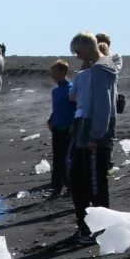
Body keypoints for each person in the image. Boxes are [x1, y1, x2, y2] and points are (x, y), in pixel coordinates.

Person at [68, 31, 119, 242]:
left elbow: (103, 105)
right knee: (82, 180)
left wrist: (95, 136)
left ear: (87, 48)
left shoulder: (100, 69)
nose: (78, 56)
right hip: (88, 129)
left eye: (78, 51)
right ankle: (89, 226)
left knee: (91, 183)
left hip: (94, 132)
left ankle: (97, 228)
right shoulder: (101, 67)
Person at [46, 59, 76, 198]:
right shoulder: (55, 91)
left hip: (67, 128)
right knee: (57, 158)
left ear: (63, 72)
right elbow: (56, 108)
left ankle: (70, 185)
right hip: (57, 127)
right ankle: (56, 186)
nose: (53, 76)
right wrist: (51, 120)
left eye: (55, 73)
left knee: (66, 158)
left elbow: (76, 108)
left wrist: (73, 124)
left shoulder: (70, 89)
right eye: (52, 73)